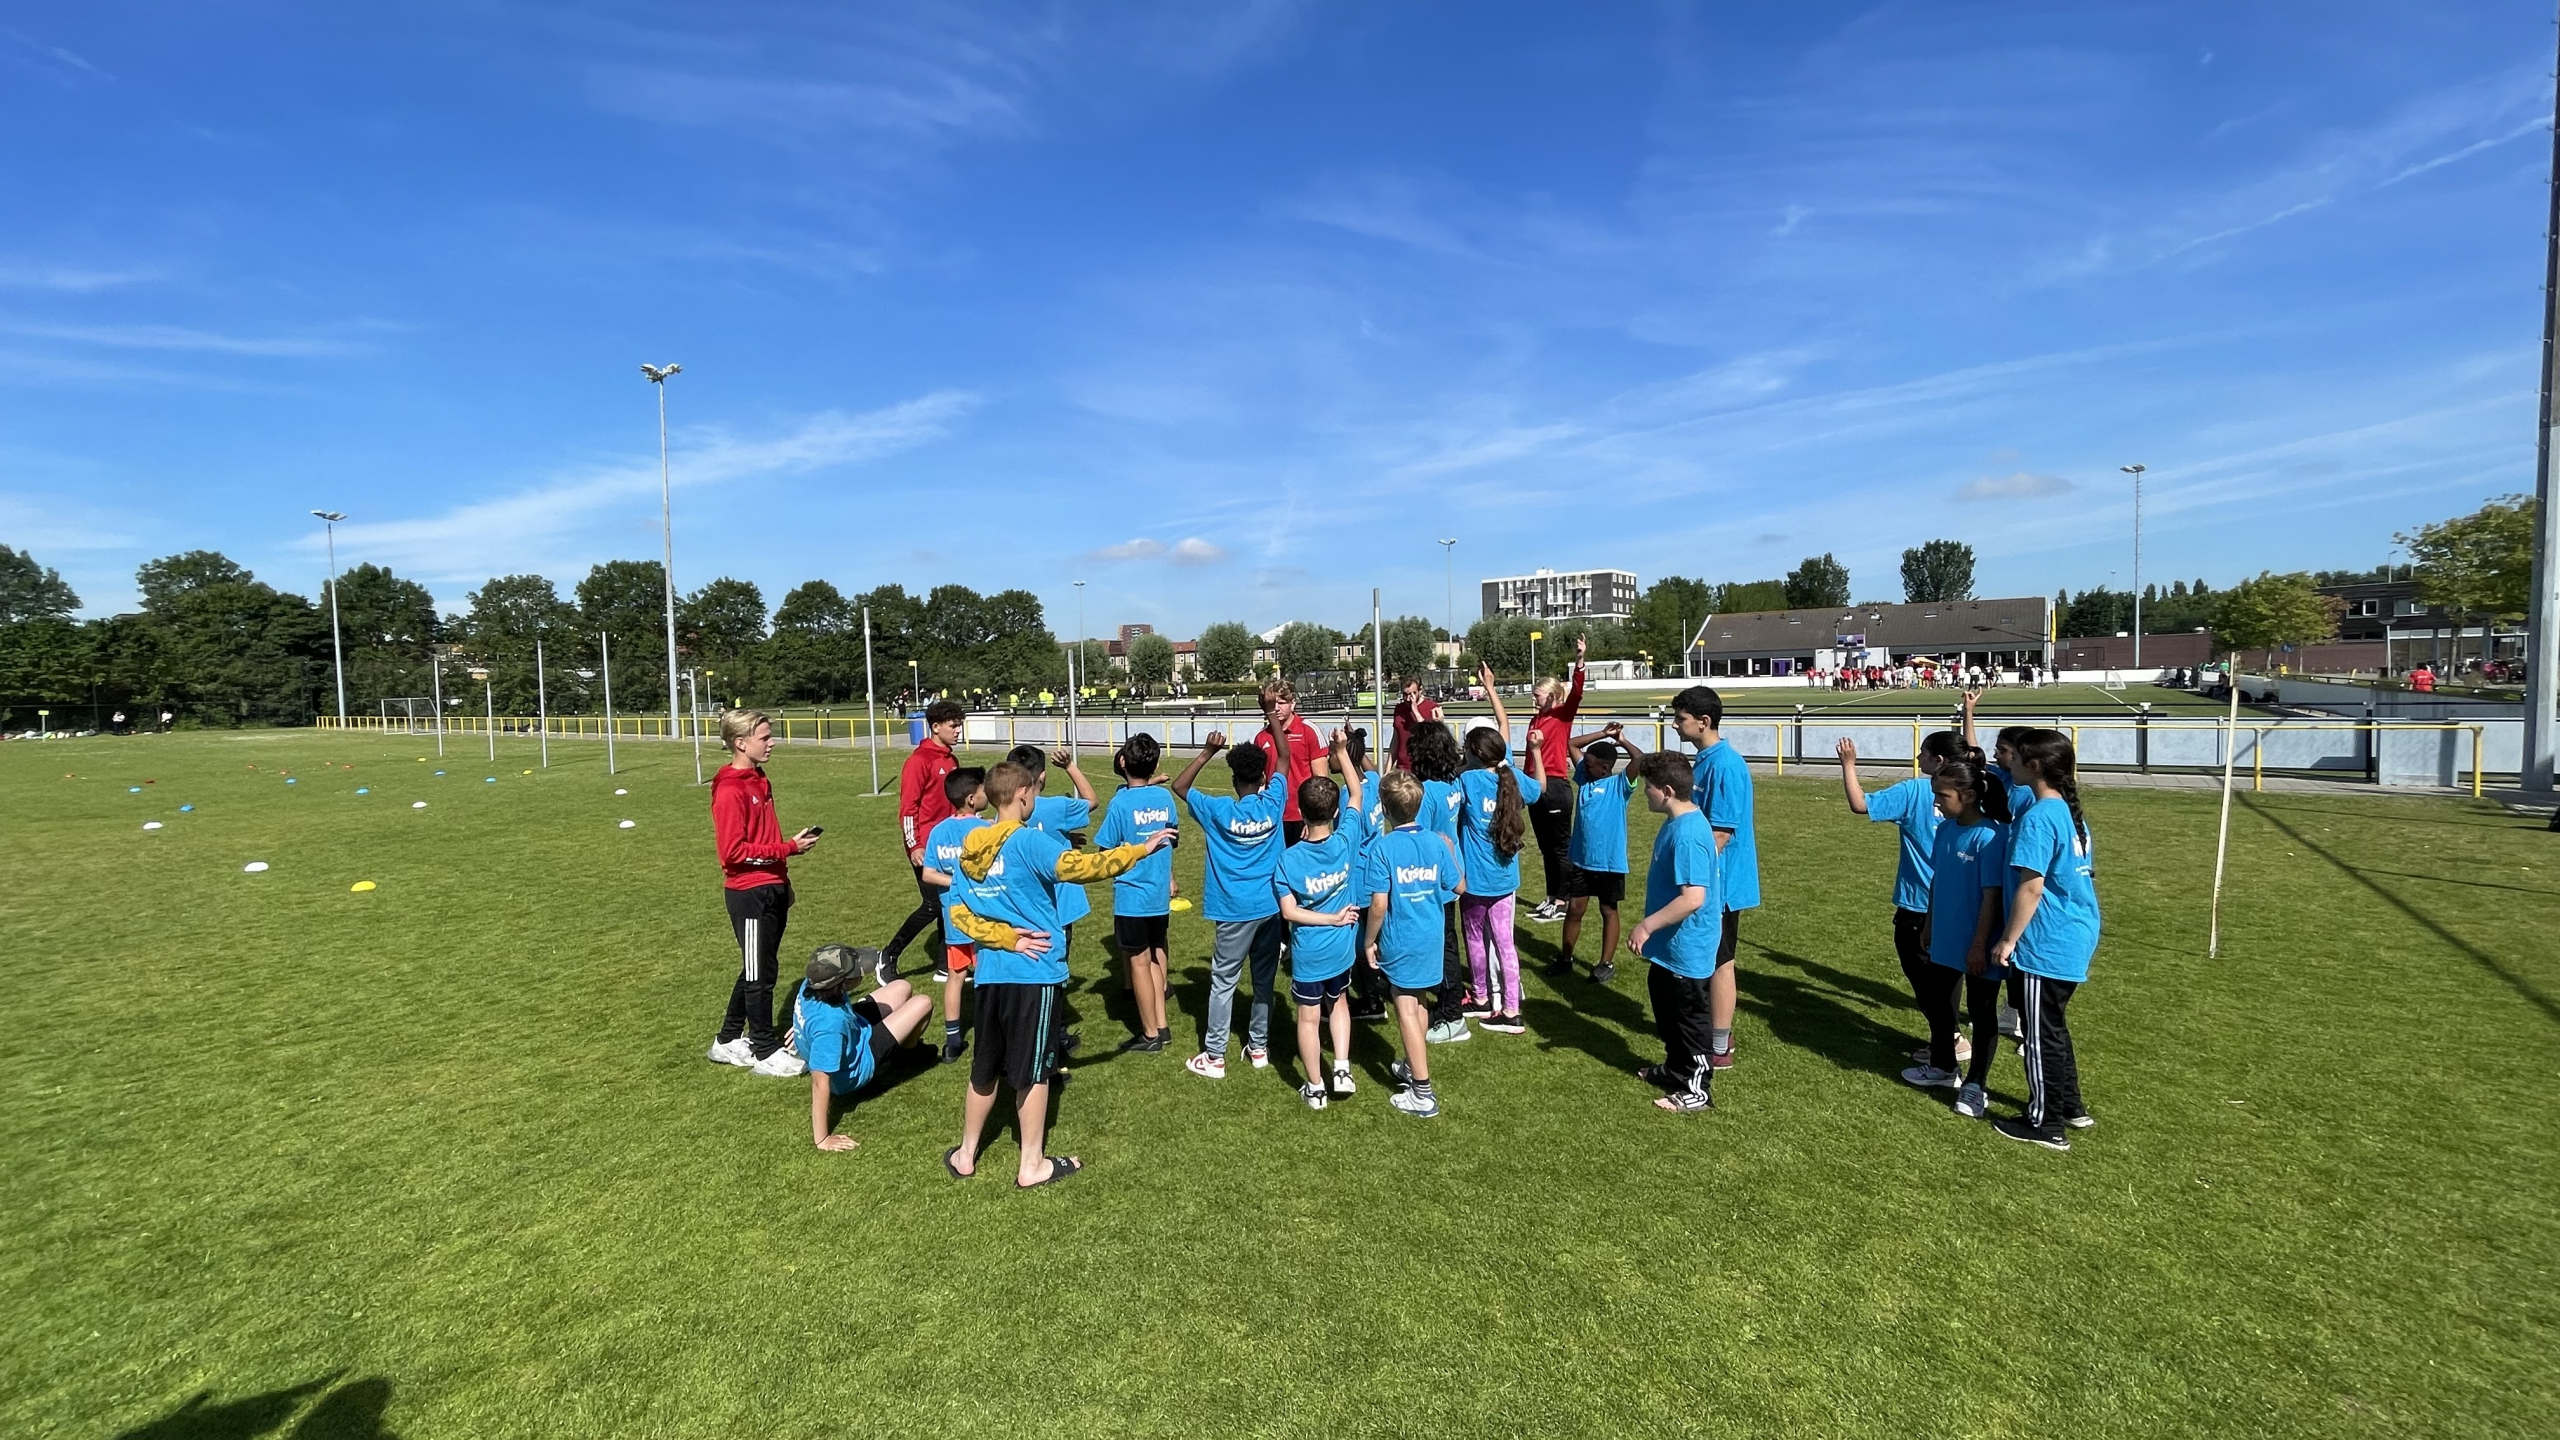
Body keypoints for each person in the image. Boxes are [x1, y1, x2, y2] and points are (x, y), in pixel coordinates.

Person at [943, 761, 1174, 1186]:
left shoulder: (972, 843)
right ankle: (1031, 1165)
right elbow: (1086, 868)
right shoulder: (1030, 843)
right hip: (1034, 974)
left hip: (990, 975)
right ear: (1023, 796)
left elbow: (957, 911)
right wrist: (1143, 849)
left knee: (985, 1067)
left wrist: (1001, 937)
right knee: (1034, 1071)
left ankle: (965, 1154)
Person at [1988, 730, 2102, 1151]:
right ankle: (2071, 1105)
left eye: (2014, 757)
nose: (2008, 763)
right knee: (2052, 1028)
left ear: (2032, 766)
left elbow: (2031, 887)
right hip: (2075, 933)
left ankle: (2046, 1123)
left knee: (2038, 1035)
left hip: (2047, 941)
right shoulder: (2069, 813)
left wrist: (2008, 940)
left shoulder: (2038, 816)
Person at [1170, 708, 1293, 1079]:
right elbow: (1285, 757)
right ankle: (1258, 1048)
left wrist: (1207, 752)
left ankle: (1215, 1056)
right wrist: (1273, 717)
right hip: (1271, 906)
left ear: (1234, 777)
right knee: (1263, 982)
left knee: (1223, 982)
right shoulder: (1273, 803)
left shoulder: (1219, 809)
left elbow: (1180, 787)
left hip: (1233, 910)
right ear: (1261, 776)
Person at [1835, 730, 1967, 1071]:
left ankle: (1948, 1045)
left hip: (1919, 905)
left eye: (1924, 753)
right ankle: (1951, 1038)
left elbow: (1860, 804)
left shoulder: (1915, 791)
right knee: (1949, 976)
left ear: (1938, 761)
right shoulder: (1975, 792)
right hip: (1961, 903)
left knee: (1926, 980)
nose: (1918, 758)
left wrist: (1848, 765)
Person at [706, 709, 821, 1074]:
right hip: (748, 893)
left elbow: (765, 835)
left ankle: (726, 1040)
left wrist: (783, 881)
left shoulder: (759, 778)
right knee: (759, 974)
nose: (772, 743)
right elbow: (733, 853)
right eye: (765, 737)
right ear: (741, 743)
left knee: (760, 967)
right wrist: (788, 849)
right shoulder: (729, 788)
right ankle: (763, 1048)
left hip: (770, 887)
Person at [1359, 770, 1462, 1118]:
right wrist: (1449, 850)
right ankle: (1409, 1064)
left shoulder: (1383, 848)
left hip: (1401, 938)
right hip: (1432, 935)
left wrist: (1369, 941)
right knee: (1417, 1004)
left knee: (1404, 1008)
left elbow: (1378, 904)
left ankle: (1422, 1092)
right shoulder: (1435, 841)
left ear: (1385, 810)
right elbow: (1459, 887)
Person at [1624, 750, 1721, 1112]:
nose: (1644, 792)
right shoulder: (1676, 824)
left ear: (1665, 790)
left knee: (1689, 1020)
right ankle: (1676, 1068)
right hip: (1669, 948)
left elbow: (1693, 898)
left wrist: (1646, 925)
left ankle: (1698, 1089)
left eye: (1647, 786)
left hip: (1687, 948)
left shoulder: (1689, 835)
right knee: (1667, 1011)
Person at [1915, 756, 2012, 1115]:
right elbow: (1938, 879)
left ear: (1968, 795)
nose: (1936, 802)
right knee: (1939, 1004)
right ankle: (1943, 1066)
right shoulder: (1945, 830)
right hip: (1945, 936)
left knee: (1981, 1012)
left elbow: (1991, 897)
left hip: (1979, 944)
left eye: (1942, 795)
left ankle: (1975, 1085)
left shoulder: (1991, 836)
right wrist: (1929, 922)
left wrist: (1978, 945)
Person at [1669, 686, 1757, 1072]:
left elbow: (1721, 833)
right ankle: (1706, 1031)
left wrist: (1691, 877)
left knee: (1721, 960)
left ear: (1703, 722)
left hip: (1722, 882)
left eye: (1680, 718)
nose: (1674, 724)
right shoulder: (1704, 760)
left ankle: (1719, 1043)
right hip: (1708, 881)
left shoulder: (1726, 765)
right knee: (1707, 956)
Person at [1454, 692, 1543, 1036]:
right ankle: (1511, 1008)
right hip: (1506, 877)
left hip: (1474, 879)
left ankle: (1479, 996)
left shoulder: (1467, 780)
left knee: (1475, 938)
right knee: (1506, 944)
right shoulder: (1513, 778)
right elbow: (1540, 790)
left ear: (1475, 754)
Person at [794, 944, 939, 1150]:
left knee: (902, 987)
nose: (860, 972)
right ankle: (906, 1055)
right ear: (842, 984)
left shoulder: (809, 986)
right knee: (923, 1003)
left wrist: (801, 1030)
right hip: (858, 1063)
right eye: (854, 972)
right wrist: (822, 1139)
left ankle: (904, 1047)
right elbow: (820, 1083)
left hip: (852, 1026)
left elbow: (810, 1020)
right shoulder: (830, 1025)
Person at [1274, 774, 1362, 1109]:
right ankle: (1341, 1068)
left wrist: (1328, 918)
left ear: (1299, 810)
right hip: (1342, 948)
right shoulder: (1346, 840)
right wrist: (1340, 752)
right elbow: (1356, 792)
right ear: (1336, 811)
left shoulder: (1289, 859)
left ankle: (1315, 1087)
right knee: (1339, 1003)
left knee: (1308, 1019)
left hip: (1310, 954)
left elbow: (1289, 912)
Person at [1094, 734, 1179, 1053]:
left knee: (1140, 963)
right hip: (1158, 893)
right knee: (1157, 955)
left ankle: (1149, 1034)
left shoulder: (1119, 803)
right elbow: (1171, 840)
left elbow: (1105, 849)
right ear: (1156, 764)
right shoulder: (1165, 799)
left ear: (1122, 763)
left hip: (1132, 895)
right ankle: (1162, 1024)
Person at [1551, 721, 1642, 983]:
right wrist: (1603, 733)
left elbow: (1640, 758)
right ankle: (1565, 958)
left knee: (1608, 910)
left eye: (1590, 764)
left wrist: (1621, 740)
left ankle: (1606, 963)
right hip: (1581, 859)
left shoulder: (1620, 785)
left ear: (1605, 767)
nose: (1584, 766)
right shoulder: (1585, 779)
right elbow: (1571, 744)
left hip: (1609, 862)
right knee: (1575, 909)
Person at [884, 699, 966, 983]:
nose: (958, 731)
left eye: (960, 725)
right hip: (924, 847)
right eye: (953, 726)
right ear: (935, 727)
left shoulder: (951, 759)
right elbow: (908, 808)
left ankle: (948, 965)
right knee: (931, 905)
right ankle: (889, 955)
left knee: (948, 901)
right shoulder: (918, 762)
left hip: (948, 845)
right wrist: (914, 845)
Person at [1404, 716, 1472, 1044]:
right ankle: (1445, 1006)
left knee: (1443, 948)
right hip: (1450, 874)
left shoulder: (1426, 792)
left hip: (1434, 881)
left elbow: (1421, 839)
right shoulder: (1452, 784)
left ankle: (1451, 1016)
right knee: (1447, 942)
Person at [917, 767, 990, 1064]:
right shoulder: (986, 830)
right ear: (972, 799)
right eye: (985, 790)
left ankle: (952, 1042)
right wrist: (965, 880)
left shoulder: (939, 831)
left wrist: (953, 881)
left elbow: (929, 874)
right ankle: (989, 1037)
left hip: (954, 920)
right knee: (988, 979)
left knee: (955, 978)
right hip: (985, 920)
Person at [1522, 635, 1587, 923]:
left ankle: (1564, 900)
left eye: (1537, 694)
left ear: (1552, 696)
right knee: (1546, 848)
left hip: (1557, 786)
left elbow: (1576, 693)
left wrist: (1580, 661)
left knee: (1560, 847)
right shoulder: (1537, 719)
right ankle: (1551, 898)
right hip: (1538, 786)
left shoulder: (1562, 714)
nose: (1533, 698)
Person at [1250, 680, 1326, 844]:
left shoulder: (1308, 731)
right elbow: (1259, 782)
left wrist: (1313, 818)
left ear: (1293, 704)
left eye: (1282, 703)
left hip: (1303, 816)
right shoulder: (1261, 737)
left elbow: (1321, 781)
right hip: (1273, 816)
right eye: (1273, 703)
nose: (1276, 707)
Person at [1391, 676, 1444, 769]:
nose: (1408, 699)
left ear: (1420, 691)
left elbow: (1431, 738)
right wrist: (1387, 770)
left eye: (1412, 694)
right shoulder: (1399, 709)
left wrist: (1415, 712)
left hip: (1423, 767)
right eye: (1405, 694)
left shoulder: (1432, 708)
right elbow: (1395, 740)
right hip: (1402, 767)